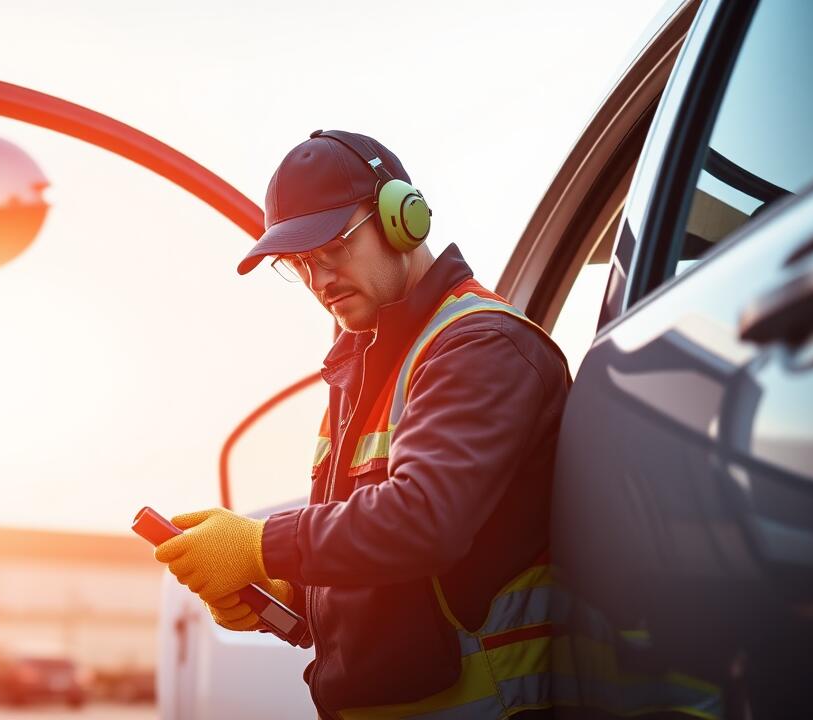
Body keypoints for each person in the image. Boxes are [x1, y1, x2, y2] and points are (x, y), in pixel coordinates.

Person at [155, 129, 571, 719]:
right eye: (299, 264)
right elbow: (375, 553)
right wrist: (290, 594)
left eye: (333, 247)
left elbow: (423, 519)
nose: (319, 279)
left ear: (403, 218)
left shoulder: (480, 347)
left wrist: (261, 546)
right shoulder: (366, 365)